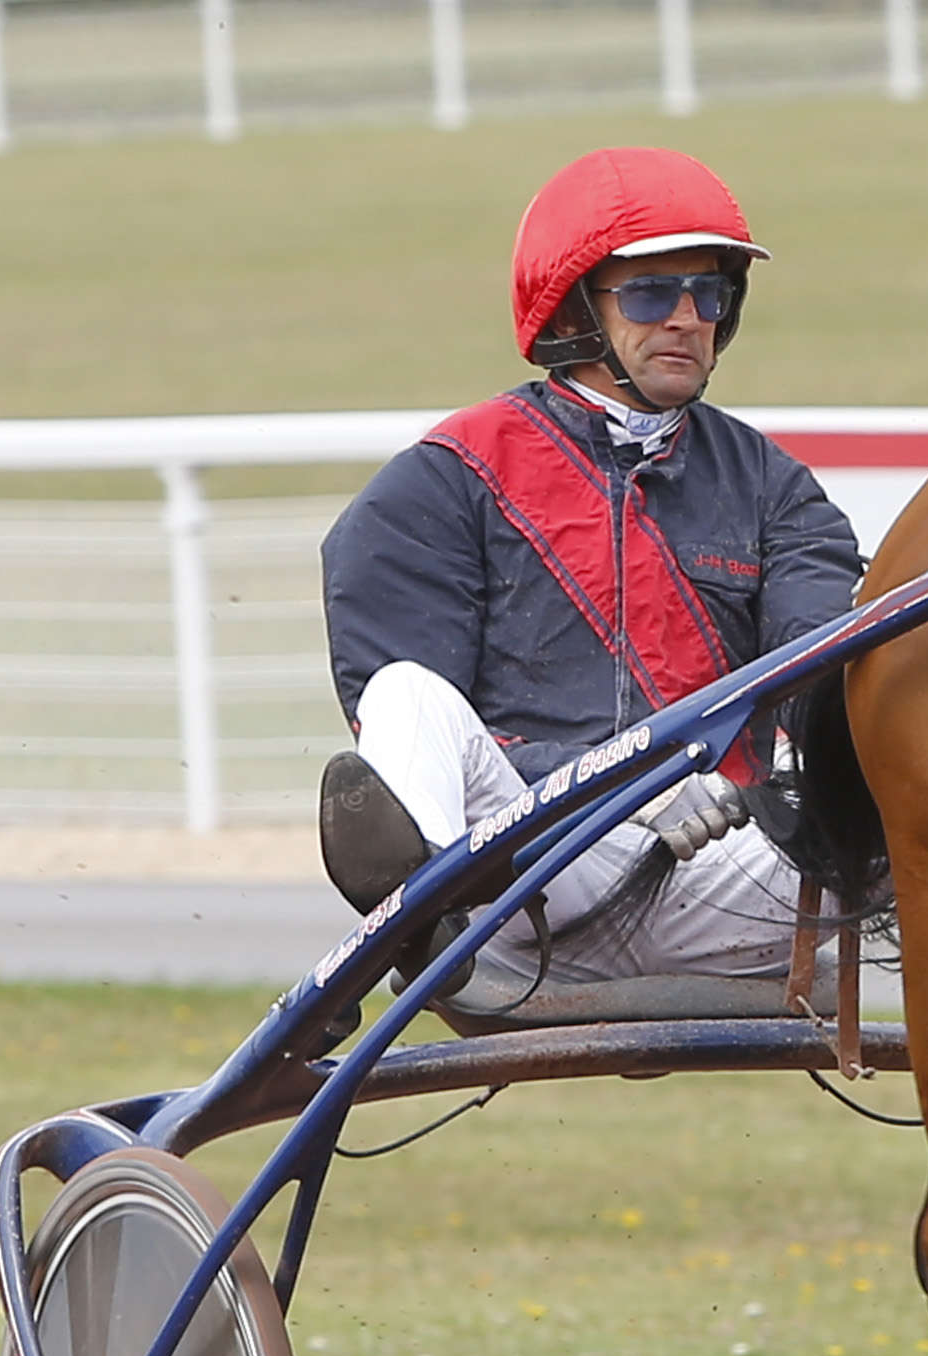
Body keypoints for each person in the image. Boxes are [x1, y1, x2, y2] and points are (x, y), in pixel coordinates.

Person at [315, 147, 864, 1004]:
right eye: (651, 293)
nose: (687, 319)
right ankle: (413, 929)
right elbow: (416, 717)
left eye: (708, 295)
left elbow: (822, 663)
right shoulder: (443, 481)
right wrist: (636, 783)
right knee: (403, 698)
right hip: (532, 872)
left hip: (730, 873)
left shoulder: (771, 486)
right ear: (575, 308)